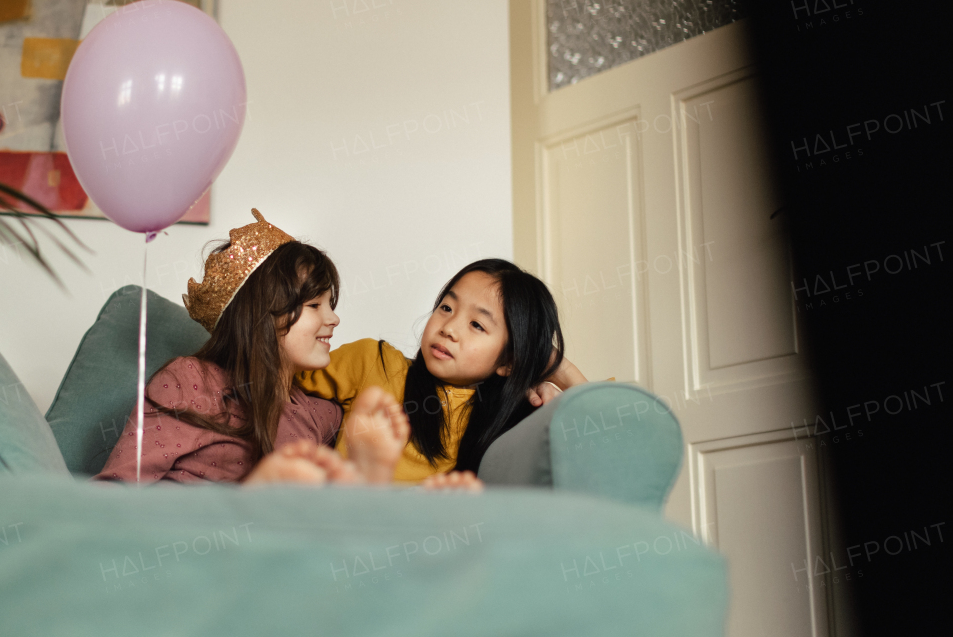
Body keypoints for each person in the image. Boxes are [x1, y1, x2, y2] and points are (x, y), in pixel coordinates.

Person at [96, 209, 455, 488]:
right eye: (315, 306)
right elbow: (118, 490)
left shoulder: (320, 414)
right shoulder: (192, 380)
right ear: (260, 315)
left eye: (331, 304)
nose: (334, 319)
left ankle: (361, 493)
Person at [296, 259, 588, 482]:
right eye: (447, 308)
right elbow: (280, 375)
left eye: (477, 325)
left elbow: (609, 440)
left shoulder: (513, 421)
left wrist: (560, 369)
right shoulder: (374, 362)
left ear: (508, 361)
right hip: (347, 529)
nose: (448, 328)